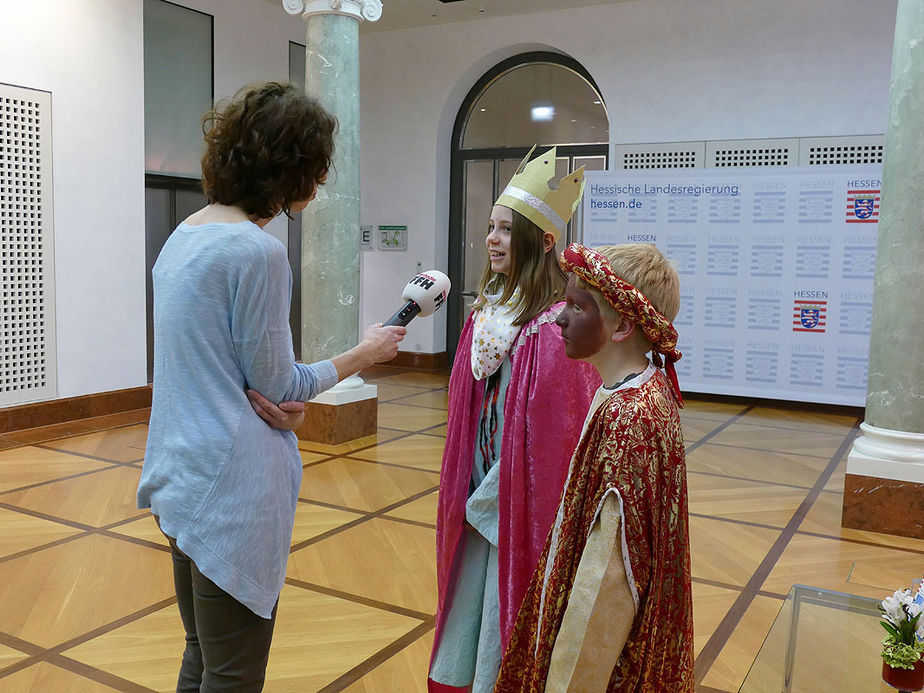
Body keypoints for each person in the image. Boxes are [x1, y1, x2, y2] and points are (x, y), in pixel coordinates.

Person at [136, 81, 406, 693]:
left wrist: (285, 406)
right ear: (295, 170)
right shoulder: (255, 252)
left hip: (179, 477)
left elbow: (255, 387)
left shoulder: (183, 238)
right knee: (233, 676)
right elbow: (279, 385)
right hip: (231, 488)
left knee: (201, 656)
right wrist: (365, 352)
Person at [428, 148, 600, 692]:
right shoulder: (486, 313)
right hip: (477, 489)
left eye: (506, 229)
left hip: (511, 503)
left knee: (506, 605)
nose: (492, 239)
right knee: (469, 601)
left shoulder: (553, 327)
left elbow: (556, 440)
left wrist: (496, 494)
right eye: (490, 227)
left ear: (543, 241)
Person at [494, 242, 694, 692]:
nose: (560, 318)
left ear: (622, 324)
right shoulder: (634, 393)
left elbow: (608, 583)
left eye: (578, 307)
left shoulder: (630, 418)